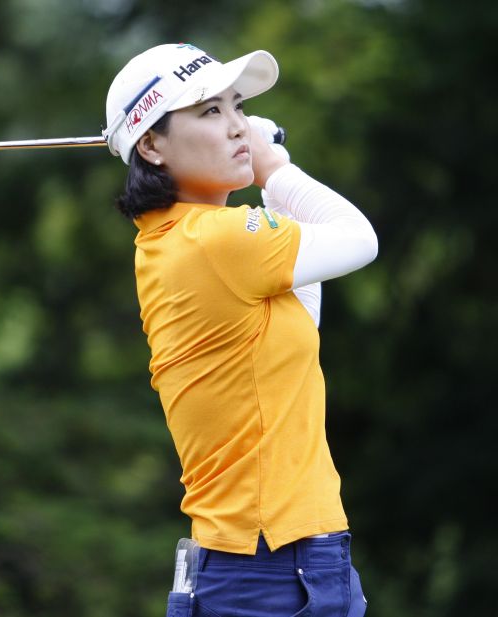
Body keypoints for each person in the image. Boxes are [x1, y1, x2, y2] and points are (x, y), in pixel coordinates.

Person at [103, 43, 377, 617]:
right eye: (210, 112)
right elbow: (359, 239)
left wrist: (270, 181)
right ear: (151, 145)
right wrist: (277, 169)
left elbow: (304, 315)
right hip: (270, 567)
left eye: (237, 107)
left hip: (286, 560)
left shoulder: (181, 239)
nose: (238, 127)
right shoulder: (214, 239)